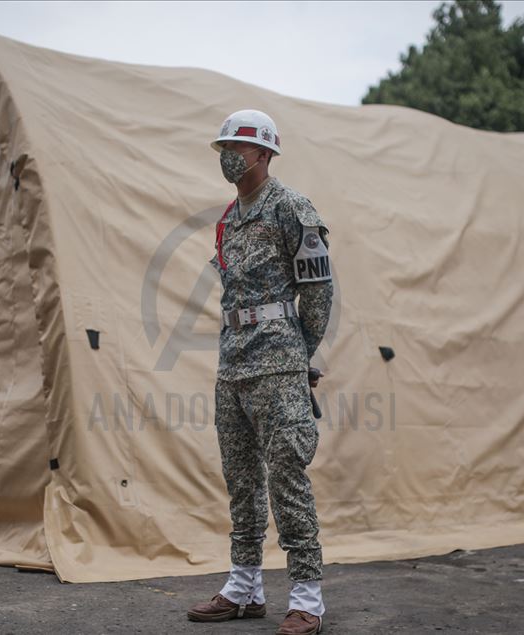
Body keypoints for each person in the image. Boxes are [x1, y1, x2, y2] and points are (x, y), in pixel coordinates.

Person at [186, 110, 333, 635]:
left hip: (277, 364)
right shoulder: (228, 219)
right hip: (233, 366)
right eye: (225, 144)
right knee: (241, 479)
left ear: (265, 154)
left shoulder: (291, 208)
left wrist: (299, 354)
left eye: (240, 146)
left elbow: (317, 292)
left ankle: (307, 598)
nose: (230, 154)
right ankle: (244, 587)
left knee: (288, 476)